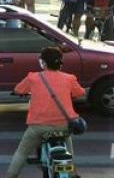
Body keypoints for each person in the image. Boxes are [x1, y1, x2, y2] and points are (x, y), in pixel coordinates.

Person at [6, 47, 86, 178]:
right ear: (60, 62)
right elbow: (80, 92)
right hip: (64, 125)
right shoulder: (69, 78)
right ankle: (72, 173)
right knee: (68, 147)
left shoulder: (33, 78)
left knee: (22, 152)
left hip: (38, 127)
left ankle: (11, 175)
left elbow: (18, 89)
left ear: (43, 62)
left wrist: (20, 91)